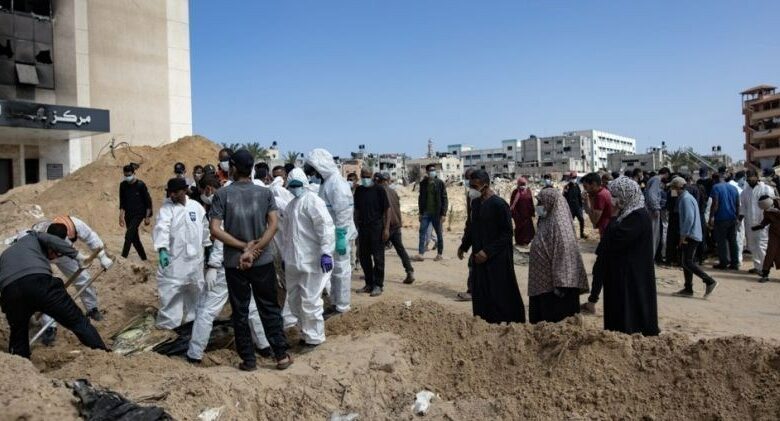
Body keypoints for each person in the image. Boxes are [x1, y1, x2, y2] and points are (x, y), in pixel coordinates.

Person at [211, 149, 292, 371]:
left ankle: (248, 359)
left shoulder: (222, 195)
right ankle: (281, 355)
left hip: (234, 262)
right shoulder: (264, 193)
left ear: (234, 168)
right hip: (262, 260)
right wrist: (256, 248)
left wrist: (242, 248)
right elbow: (273, 225)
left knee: (240, 310)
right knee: (269, 307)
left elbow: (215, 229)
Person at [187, 174, 273, 363]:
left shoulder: (220, 200)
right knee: (250, 306)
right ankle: (265, 346)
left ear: (208, 189)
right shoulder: (237, 197)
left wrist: (213, 265)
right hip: (243, 262)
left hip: (225, 266)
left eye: (203, 191)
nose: (203, 195)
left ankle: (194, 354)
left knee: (206, 310)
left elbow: (219, 240)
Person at [0, 231, 107, 358]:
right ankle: (103, 354)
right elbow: (52, 240)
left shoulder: (4, 255)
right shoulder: (33, 236)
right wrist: (77, 256)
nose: (53, 258)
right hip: (40, 283)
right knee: (78, 322)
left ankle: (21, 369)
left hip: (10, 292)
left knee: (18, 334)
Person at [458, 170, 525, 324]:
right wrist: (464, 246)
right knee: (481, 291)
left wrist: (487, 252)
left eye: (474, 186)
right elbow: (472, 227)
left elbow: (507, 234)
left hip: (497, 258)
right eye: (470, 186)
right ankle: (483, 322)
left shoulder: (500, 205)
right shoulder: (475, 203)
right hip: (478, 256)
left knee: (499, 292)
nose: (472, 190)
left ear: (485, 185)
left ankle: (506, 323)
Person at [597, 177, 659, 336]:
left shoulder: (636, 216)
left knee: (631, 308)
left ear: (626, 194)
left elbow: (615, 240)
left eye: (615, 195)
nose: (613, 199)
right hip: (625, 272)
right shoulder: (628, 214)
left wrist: (613, 216)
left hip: (631, 274)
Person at [281, 168, 335, 350]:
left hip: (313, 261)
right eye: (292, 186)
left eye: (297, 185)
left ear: (304, 184)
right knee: (295, 301)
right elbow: (287, 235)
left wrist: (326, 253)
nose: (295, 188)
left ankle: (315, 338)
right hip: (294, 262)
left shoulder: (313, 202)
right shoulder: (291, 205)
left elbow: (325, 228)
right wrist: (285, 256)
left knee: (311, 300)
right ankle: (305, 332)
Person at [304, 148, 357, 318]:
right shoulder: (328, 183)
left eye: (314, 171)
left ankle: (342, 306)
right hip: (334, 235)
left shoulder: (337, 184)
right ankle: (336, 303)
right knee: (334, 272)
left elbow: (343, 212)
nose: (314, 175)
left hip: (341, 234)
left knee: (341, 270)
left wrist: (341, 235)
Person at [153, 178, 210, 329]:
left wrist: (207, 247)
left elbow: (205, 228)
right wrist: (162, 249)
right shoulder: (167, 209)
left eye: (175, 192)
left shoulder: (196, 207)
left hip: (195, 260)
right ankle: (168, 326)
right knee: (172, 292)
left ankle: (193, 324)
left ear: (184, 191)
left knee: (196, 292)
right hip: (175, 261)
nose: (172, 195)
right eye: (170, 193)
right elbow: (162, 228)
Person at [528, 188, 589, 324]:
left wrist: (560, 286)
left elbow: (565, 257)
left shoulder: (560, 227)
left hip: (555, 289)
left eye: (540, 202)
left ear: (550, 202)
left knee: (556, 324)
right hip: (542, 285)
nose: (538, 206)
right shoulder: (546, 220)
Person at [668, 177, 718, 297]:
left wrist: (683, 236)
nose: (671, 191)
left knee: (688, 262)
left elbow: (688, 219)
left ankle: (709, 281)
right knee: (685, 261)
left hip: (690, 235)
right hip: (692, 233)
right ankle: (688, 288)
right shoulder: (686, 197)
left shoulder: (685, 199)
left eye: (673, 188)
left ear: (678, 188)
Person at [580, 172, 614, 314]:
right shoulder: (604, 193)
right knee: (602, 271)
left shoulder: (600, 196)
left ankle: (592, 302)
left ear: (594, 184)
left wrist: (586, 203)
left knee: (599, 271)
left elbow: (594, 220)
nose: (585, 189)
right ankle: (592, 301)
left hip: (608, 237)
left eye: (586, 186)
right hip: (608, 235)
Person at [354, 169, 391, 296]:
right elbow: (356, 210)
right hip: (363, 228)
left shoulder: (379, 190)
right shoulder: (359, 191)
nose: (365, 178)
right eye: (363, 176)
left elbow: (387, 210)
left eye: (367, 176)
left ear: (372, 176)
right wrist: (356, 228)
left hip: (377, 228)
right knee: (364, 258)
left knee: (378, 258)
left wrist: (386, 228)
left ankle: (378, 285)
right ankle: (368, 284)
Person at [378, 172, 415, 284]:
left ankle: (377, 276)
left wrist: (384, 228)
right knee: (400, 249)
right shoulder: (393, 192)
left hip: (386, 226)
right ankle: (409, 271)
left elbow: (383, 211)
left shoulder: (379, 192)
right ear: (388, 181)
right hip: (396, 225)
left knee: (378, 252)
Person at [413, 164, 448, 262]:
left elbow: (445, 198)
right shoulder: (423, 183)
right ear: (427, 172)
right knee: (422, 233)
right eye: (431, 170)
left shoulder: (440, 183)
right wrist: (420, 213)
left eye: (434, 170)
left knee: (439, 234)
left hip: (437, 213)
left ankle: (439, 254)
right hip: (425, 213)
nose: (433, 172)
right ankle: (420, 254)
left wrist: (444, 213)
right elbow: (420, 198)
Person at [741, 170, 774, 274]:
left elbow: (771, 206)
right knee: (752, 246)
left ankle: (765, 269)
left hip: (763, 224)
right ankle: (757, 267)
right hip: (750, 223)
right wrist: (739, 220)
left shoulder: (766, 189)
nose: (749, 180)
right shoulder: (745, 192)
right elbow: (742, 208)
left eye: (751, 177)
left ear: (756, 177)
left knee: (761, 246)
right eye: (747, 178)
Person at [119, 164, 152, 260]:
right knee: (134, 238)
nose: (127, 177)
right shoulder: (123, 185)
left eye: (129, 175)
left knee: (128, 235)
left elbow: (148, 202)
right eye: (125, 175)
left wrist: (147, 217)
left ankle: (123, 258)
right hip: (128, 215)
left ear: (134, 173)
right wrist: (121, 216)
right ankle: (144, 258)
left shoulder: (140, 185)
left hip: (139, 214)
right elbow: (122, 202)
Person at [709, 174, 741, 270]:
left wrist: (711, 217)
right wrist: (737, 217)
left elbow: (715, 204)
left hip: (721, 218)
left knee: (721, 241)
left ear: (715, 180)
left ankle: (724, 262)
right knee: (733, 241)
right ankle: (735, 263)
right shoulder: (734, 188)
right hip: (732, 218)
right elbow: (737, 204)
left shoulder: (716, 187)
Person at [456, 168, 476, 301]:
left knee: (474, 263)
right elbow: (470, 219)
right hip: (477, 235)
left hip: (484, 237)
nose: (468, 182)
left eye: (469, 179)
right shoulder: (471, 195)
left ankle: (472, 291)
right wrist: (464, 244)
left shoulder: (492, 200)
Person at [645, 167, 670, 259]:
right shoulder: (657, 179)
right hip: (652, 210)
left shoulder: (653, 179)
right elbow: (652, 194)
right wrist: (656, 208)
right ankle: (651, 256)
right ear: (666, 173)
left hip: (649, 209)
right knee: (654, 234)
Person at [753, 196, 780, 283]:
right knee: (770, 252)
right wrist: (761, 225)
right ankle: (765, 274)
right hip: (774, 233)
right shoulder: (767, 208)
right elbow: (767, 219)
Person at [509, 177, 535, 246]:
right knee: (520, 228)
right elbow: (512, 204)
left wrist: (532, 211)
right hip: (519, 215)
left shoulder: (528, 191)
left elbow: (530, 201)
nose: (522, 186)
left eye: (523, 184)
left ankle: (526, 241)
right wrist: (514, 214)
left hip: (527, 214)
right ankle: (520, 242)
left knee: (527, 228)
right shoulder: (515, 192)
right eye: (521, 184)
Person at [563, 171, 587, 239]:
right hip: (570, 208)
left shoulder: (577, 186)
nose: (574, 179)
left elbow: (579, 196)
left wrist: (581, 205)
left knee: (581, 220)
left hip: (578, 207)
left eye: (575, 177)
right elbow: (564, 197)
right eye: (573, 177)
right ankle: (570, 235)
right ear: (570, 178)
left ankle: (582, 234)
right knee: (570, 222)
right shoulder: (567, 186)